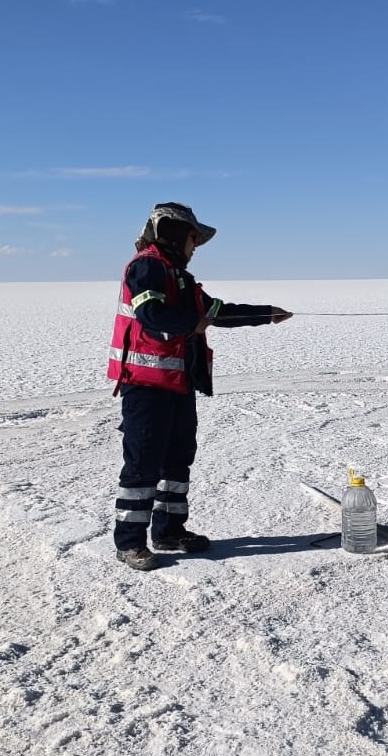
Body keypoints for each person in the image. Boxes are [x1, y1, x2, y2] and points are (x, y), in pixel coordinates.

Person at [107, 202, 293, 571]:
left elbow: (215, 312)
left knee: (177, 461)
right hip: (145, 385)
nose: (195, 247)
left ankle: (169, 531)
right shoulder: (147, 267)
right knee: (143, 465)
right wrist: (192, 323)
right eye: (193, 238)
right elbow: (151, 314)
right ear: (175, 233)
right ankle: (129, 542)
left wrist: (265, 313)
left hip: (177, 384)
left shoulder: (179, 277)